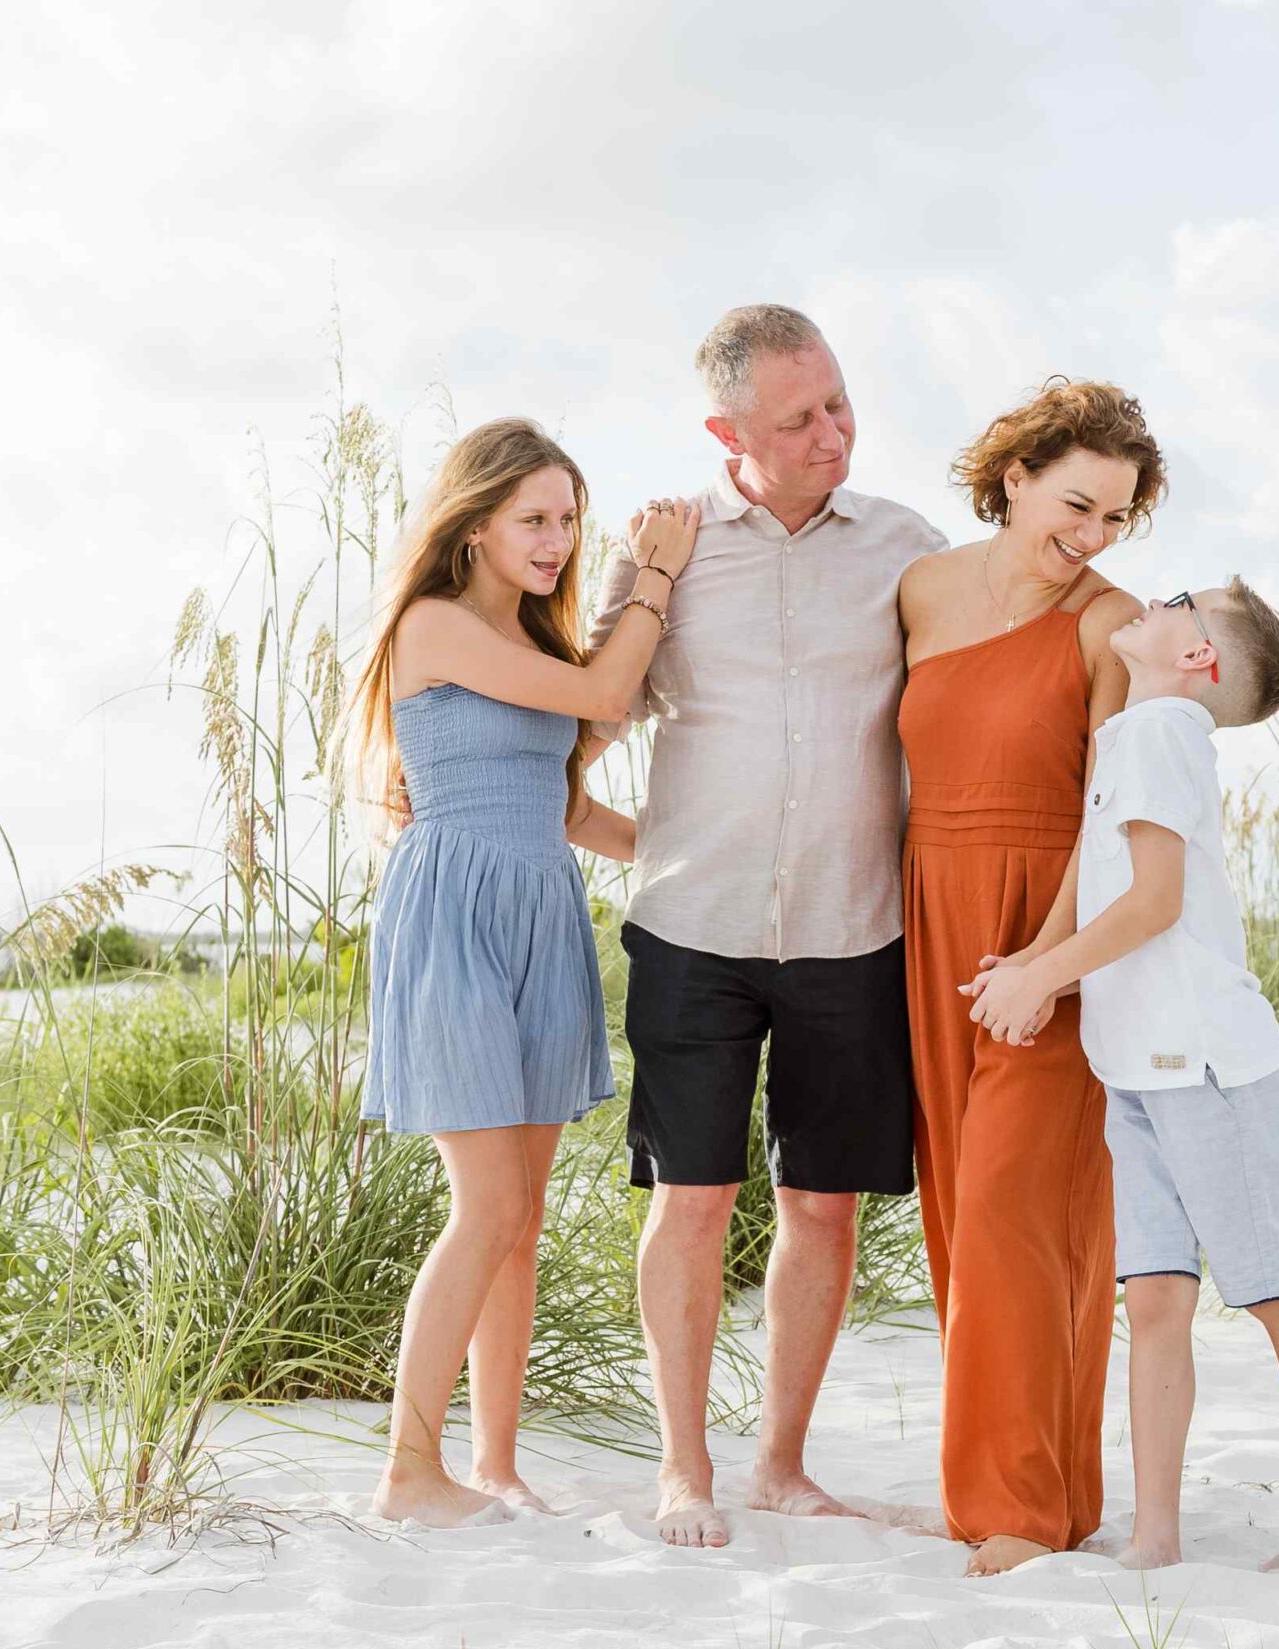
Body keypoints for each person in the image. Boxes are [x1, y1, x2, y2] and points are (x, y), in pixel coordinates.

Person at [584, 305, 947, 1548]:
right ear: (724, 431)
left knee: (825, 1205)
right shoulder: (664, 551)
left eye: (839, 402)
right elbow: (584, 724)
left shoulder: (908, 547)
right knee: (691, 1198)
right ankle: (684, 1467)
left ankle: (782, 1462)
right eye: (797, 420)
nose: (832, 432)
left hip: (855, 928)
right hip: (694, 927)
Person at [962, 580, 1279, 1572]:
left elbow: (1153, 903)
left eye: (1181, 601)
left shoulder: (1158, 737)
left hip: (1207, 1069)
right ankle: (1154, 1536)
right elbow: (1111, 886)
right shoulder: (1135, 733)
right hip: (1136, 1069)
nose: (1155, 596)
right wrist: (1030, 964)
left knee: (1275, 1288)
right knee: (1153, 1301)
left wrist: (1041, 976)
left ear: (1202, 661)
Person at [348, 417, 695, 1528]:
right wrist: (653, 579)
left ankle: (492, 1464)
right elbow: (607, 700)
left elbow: (574, 805)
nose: (555, 540)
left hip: (541, 908)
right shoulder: (432, 625)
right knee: (485, 1202)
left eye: (567, 521)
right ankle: (408, 1469)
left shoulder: (540, 654)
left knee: (524, 1215)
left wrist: (701, 852)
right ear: (477, 522)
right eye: (533, 520)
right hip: (454, 912)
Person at [894, 378, 1160, 1575]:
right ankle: (1048, 1490)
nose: (1092, 537)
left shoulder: (1115, 625)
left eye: (1114, 516)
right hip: (931, 917)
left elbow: (1107, 816)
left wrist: (1048, 965)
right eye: (1075, 504)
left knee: (1019, 1210)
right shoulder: (921, 590)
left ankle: (1012, 1512)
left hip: (1046, 927)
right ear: (1013, 476)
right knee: (964, 1210)